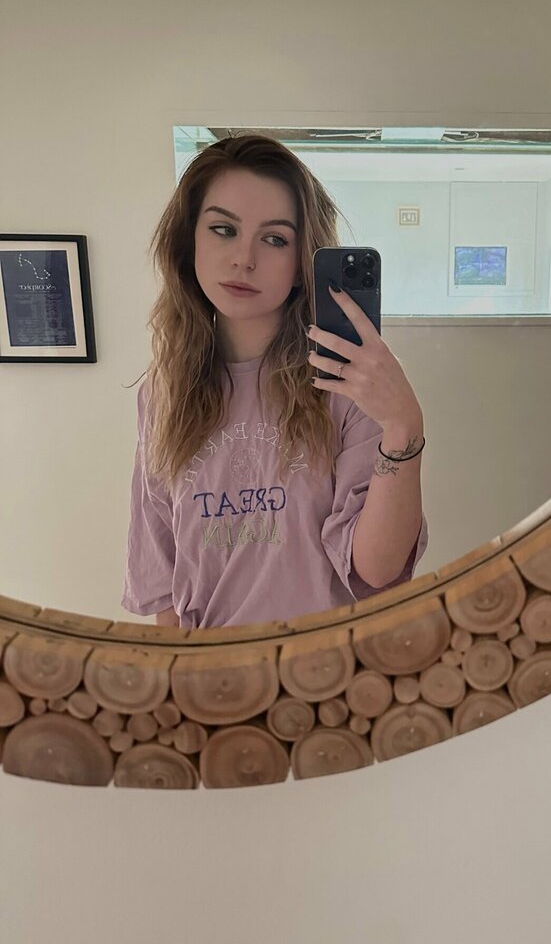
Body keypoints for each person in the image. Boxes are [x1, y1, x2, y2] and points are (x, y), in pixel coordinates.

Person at [121, 134, 428, 630]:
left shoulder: (346, 383)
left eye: (275, 239)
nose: (244, 258)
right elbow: (162, 576)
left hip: (326, 665)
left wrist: (404, 427)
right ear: (189, 241)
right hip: (210, 668)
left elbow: (377, 569)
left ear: (302, 261)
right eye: (223, 229)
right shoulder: (162, 393)